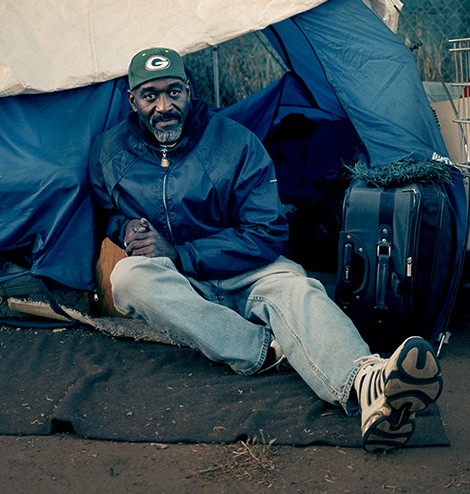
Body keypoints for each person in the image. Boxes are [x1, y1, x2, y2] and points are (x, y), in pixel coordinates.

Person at [89, 46, 444, 452]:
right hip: (180, 283)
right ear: (132, 100)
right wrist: (126, 228)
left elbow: (267, 232)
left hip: (246, 267)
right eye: (150, 96)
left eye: (174, 92)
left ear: (189, 90)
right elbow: (105, 213)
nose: (164, 106)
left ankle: (370, 384)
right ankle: (264, 351)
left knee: (298, 289)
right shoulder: (109, 152)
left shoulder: (235, 143)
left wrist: (181, 252)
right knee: (129, 279)